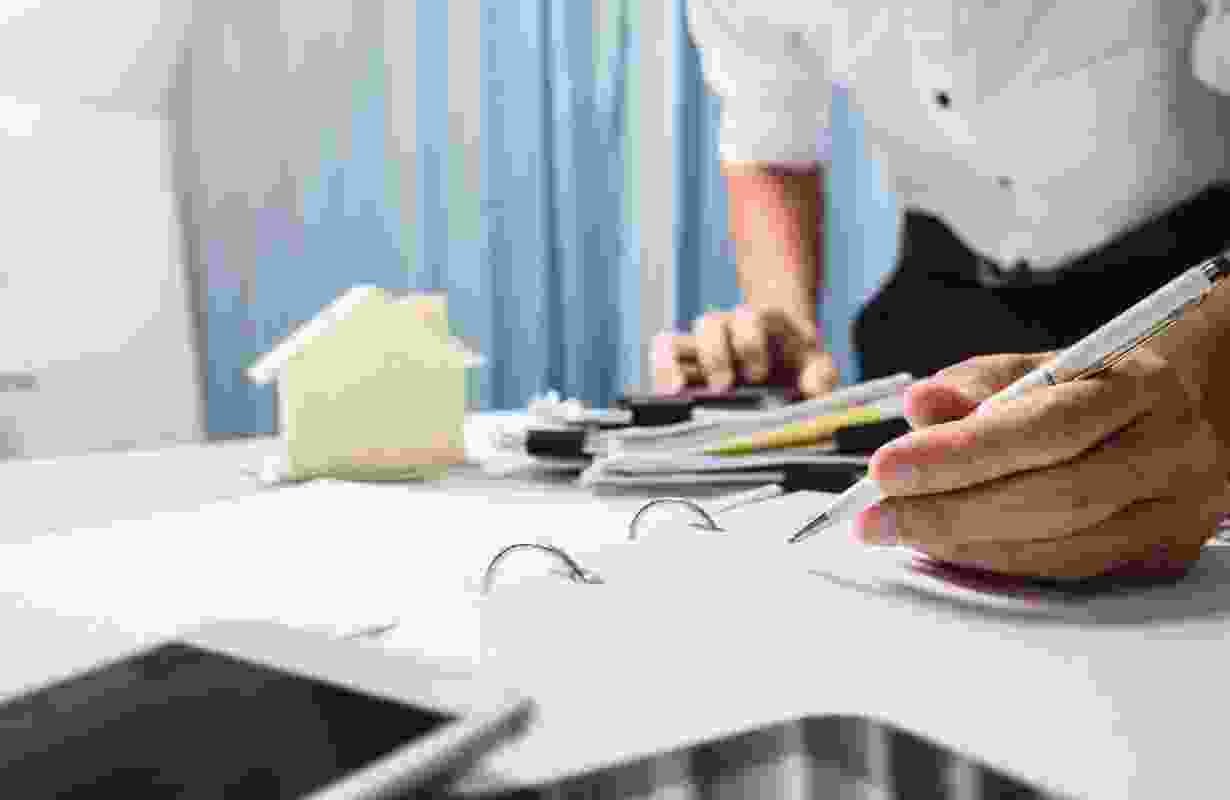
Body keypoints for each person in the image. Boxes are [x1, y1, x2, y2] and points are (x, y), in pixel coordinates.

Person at [653, 1, 1230, 579]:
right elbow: (769, 144)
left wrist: (1210, 375)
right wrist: (785, 319)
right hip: (940, 298)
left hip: (1189, 295)